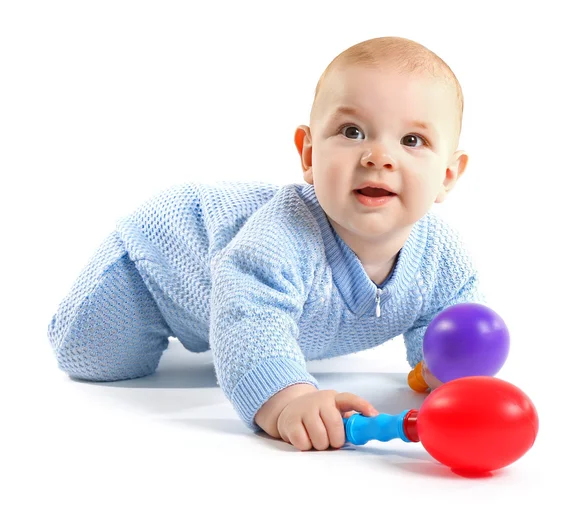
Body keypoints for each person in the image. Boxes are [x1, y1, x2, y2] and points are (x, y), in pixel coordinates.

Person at [47, 36, 485, 451]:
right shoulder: (281, 237)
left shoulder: (441, 256)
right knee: (97, 359)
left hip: (219, 297)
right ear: (309, 155)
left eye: (413, 140)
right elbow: (249, 316)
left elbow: (450, 322)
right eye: (352, 132)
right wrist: (287, 398)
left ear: (447, 175)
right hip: (163, 259)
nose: (378, 156)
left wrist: (443, 370)